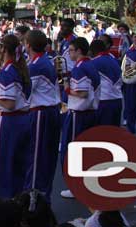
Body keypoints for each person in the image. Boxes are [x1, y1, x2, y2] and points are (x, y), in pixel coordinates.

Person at [0, 34, 31, 198]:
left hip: (8, 122)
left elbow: (9, 104)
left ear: (4, 49)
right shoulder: (19, 69)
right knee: (18, 170)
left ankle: (1, 207)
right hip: (22, 121)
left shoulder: (7, 71)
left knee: (2, 169)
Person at [60, 37, 100, 199]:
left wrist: (67, 88)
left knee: (73, 152)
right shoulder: (89, 64)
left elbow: (82, 93)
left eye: (70, 50)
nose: (68, 53)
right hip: (89, 112)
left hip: (80, 114)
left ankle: (76, 187)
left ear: (78, 51)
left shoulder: (80, 67)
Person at [24, 30, 61, 202]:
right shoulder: (42, 61)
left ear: (28, 45)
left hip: (41, 113)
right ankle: (43, 196)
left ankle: (33, 201)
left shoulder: (35, 66)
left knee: (36, 158)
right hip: (49, 111)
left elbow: (24, 94)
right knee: (46, 157)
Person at [90, 39, 123, 127]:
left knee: (103, 135)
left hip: (104, 102)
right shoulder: (114, 60)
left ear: (93, 50)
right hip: (118, 100)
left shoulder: (94, 62)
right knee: (114, 133)